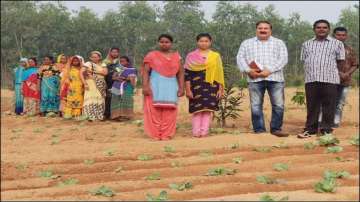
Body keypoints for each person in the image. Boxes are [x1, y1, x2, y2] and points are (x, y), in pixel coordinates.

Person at [236, 20, 289, 137]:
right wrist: (248, 70)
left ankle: (276, 129)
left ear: (270, 30)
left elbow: (283, 59)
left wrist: (269, 70)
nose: (263, 30)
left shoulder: (279, 43)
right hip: (254, 79)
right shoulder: (247, 43)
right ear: (256, 30)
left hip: (275, 78)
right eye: (260, 28)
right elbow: (240, 58)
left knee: (278, 105)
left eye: (266, 28)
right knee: (255, 105)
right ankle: (259, 130)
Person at [298, 19, 346, 138]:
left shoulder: (337, 44)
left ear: (329, 29)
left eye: (324, 27)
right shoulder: (306, 44)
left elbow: (340, 61)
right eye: (319, 27)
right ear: (314, 29)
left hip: (330, 79)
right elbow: (305, 60)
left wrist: (335, 74)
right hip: (311, 79)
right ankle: (310, 130)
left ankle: (326, 130)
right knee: (312, 105)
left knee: (329, 105)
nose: (321, 29)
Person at [142, 34, 184, 140]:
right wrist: (145, 86)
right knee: (154, 110)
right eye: (161, 42)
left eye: (167, 42)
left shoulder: (177, 57)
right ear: (158, 43)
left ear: (171, 43)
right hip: (155, 85)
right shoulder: (151, 55)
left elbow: (181, 73)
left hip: (171, 85)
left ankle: (167, 134)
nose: (164, 44)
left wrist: (181, 87)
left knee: (170, 110)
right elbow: (146, 72)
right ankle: (155, 134)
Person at [184, 33, 225, 138]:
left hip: (212, 87)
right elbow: (187, 75)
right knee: (197, 111)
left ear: (210, 42)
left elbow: (219, 74)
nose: (204, 43)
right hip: (196, 87)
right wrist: (188, 90)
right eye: (201, 41)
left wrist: (220, 89)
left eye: (206, 41)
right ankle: (196, 132)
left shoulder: (215, 56)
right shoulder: (191, 56)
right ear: (197, 42)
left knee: (207, 110)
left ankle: (204, 132)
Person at [319, 27, 359, 128]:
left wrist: (347, 74)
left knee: (340, 103)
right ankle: (321, 120)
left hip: (345, 81)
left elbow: (355, 64)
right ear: (333, 35)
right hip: (329, 80)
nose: (341, 37)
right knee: (326, 101)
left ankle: (335, 121)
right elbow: (323, 63)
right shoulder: (326, 48)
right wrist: (338, 72)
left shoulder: (350, 50)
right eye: (338, 35)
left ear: (346, 36)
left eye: (343, 35)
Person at [80, 51, 108, 121]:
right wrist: (84, 83)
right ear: (90, 58)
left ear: (99, 57)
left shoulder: (103, 64)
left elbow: (105, 73)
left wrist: (93, 72)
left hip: (101, 84)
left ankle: (99, 115)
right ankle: (89, 115)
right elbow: (81, 73)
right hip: (90, 83)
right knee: (90, 98)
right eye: (93, 57)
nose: (94, 58)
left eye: (96, 57)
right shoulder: (88, 63)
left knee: (100, 98)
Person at [110, 56, 137, 120]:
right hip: (116, 85)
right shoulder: (118, 68)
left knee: (127, 99)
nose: (122, 62)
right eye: (120, 61)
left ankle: (126, 116)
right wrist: (119, 78)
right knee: (116, 100)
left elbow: (131, 78)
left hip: (127, 86)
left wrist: (123, 78)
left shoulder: (132, 69)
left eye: (123, 61)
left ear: (127, 62)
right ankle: (116, 116)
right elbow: (113, 77)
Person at [103, 47, 121, 120]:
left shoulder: (119, 62)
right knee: (108, 98)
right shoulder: (105, 61)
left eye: (116, 52)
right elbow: (104, 71)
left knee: (116, 97)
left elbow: (121, 70)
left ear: (118, 53)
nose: (114, 53)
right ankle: (106, 114)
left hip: (117, 81)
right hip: (108, 81)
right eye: (113, 52)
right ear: (110, 52)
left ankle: (115, 115)